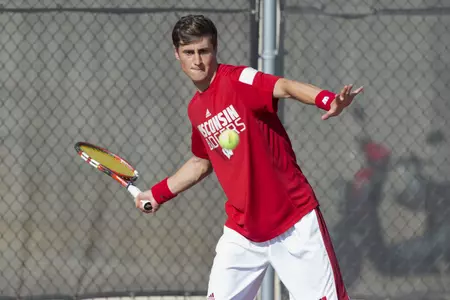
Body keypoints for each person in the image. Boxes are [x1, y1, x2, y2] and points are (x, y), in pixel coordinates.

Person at [135, 14, 363, 300]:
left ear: (215, 50)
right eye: (188, 52)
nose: (197, 61)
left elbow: (285, 86)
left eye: (203, 51)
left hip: (294, 223)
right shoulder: (196, 109)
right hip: (243, 232)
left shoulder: (240, 80)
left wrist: (328, 100)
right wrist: (156, 194)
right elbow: (201, 162)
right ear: (177, 54)